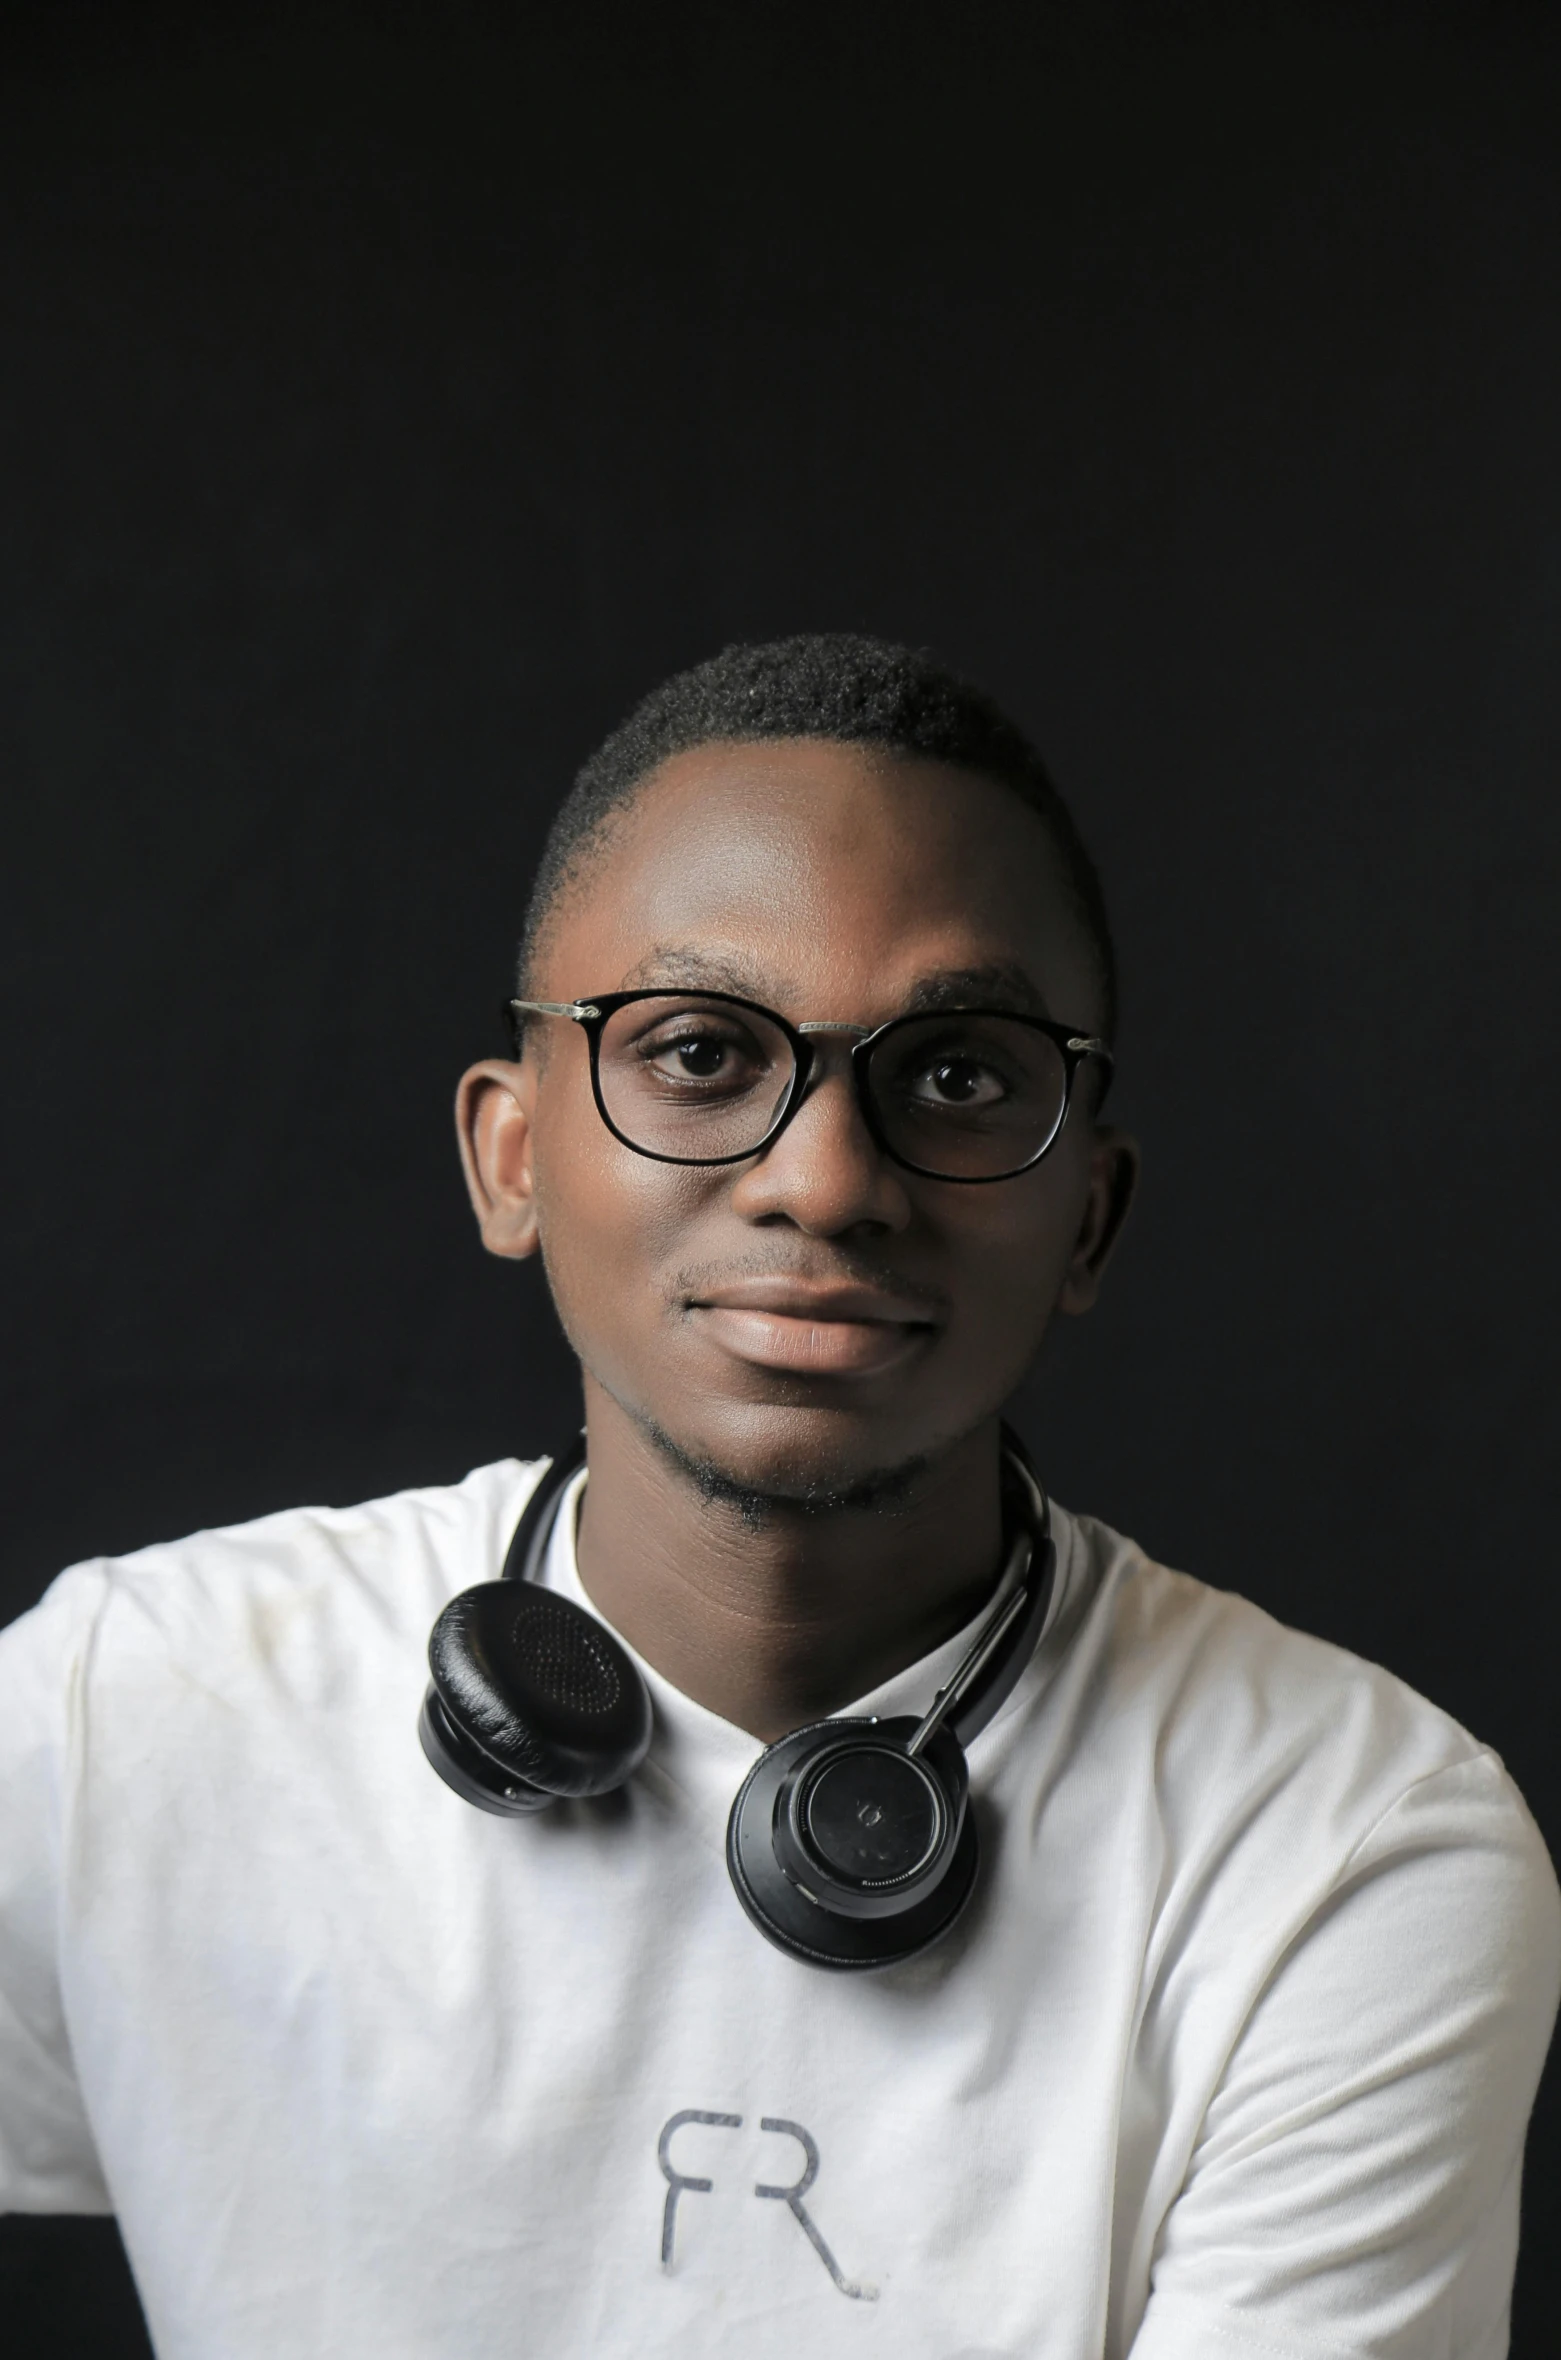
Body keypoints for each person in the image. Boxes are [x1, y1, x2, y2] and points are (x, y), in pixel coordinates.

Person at [1, 634, 1555, 2360]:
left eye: (960, 1074)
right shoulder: (124, 1715)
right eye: (695, 1053)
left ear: (1092, 1220)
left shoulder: (1346, 1849)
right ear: (512, 1156)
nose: (825, 1183)